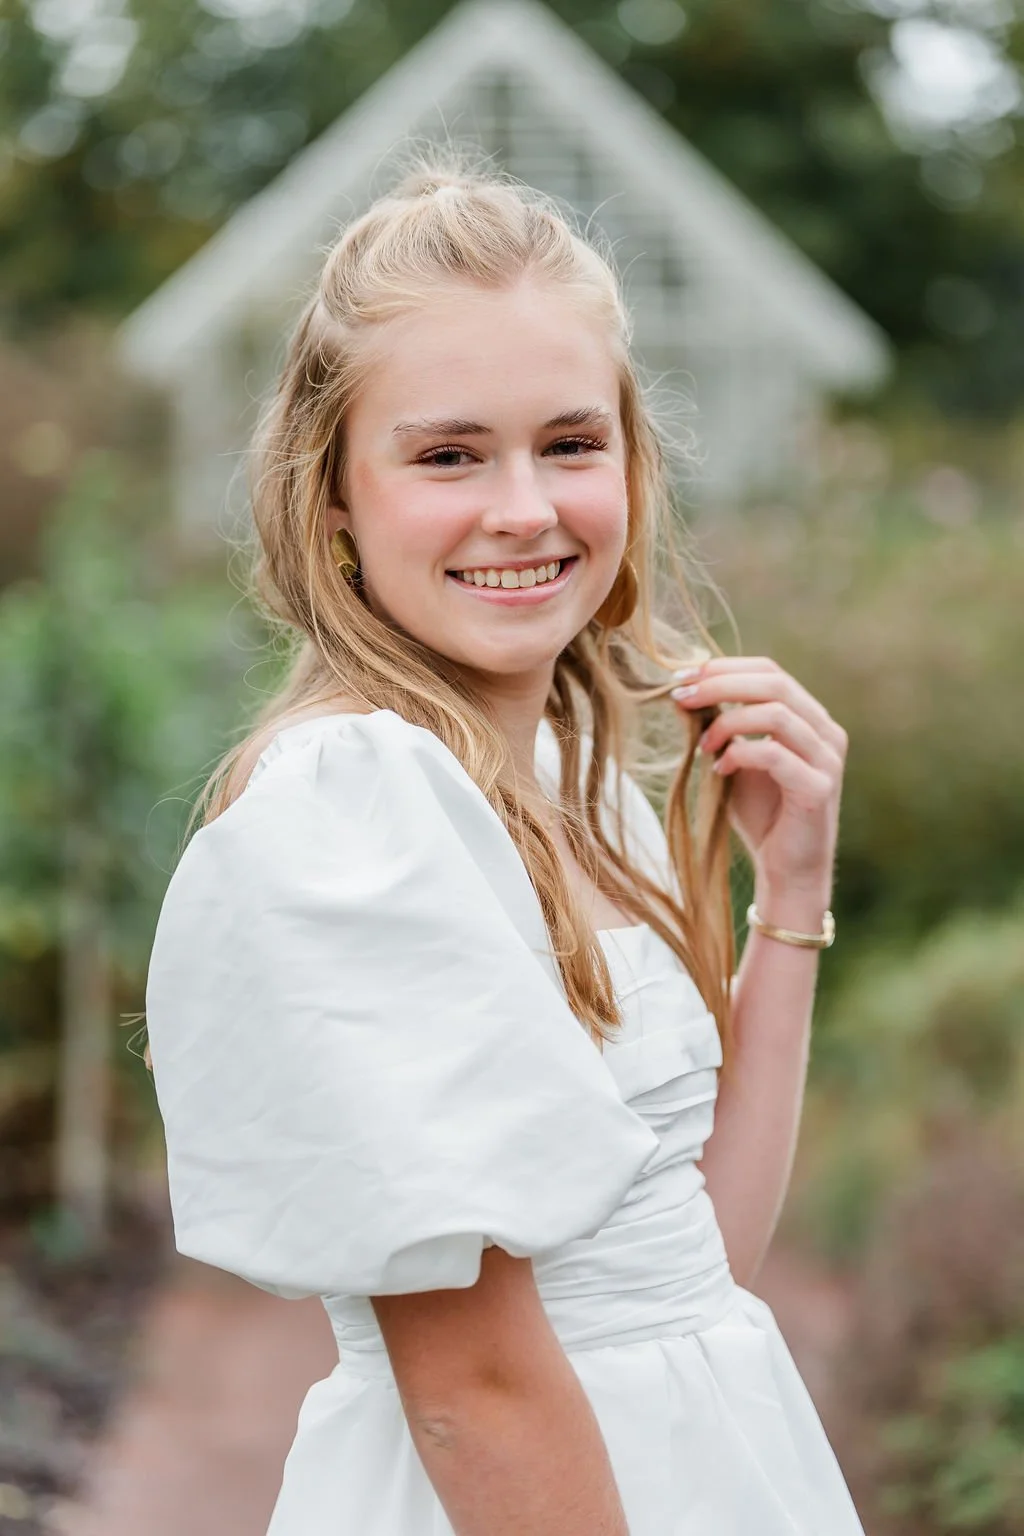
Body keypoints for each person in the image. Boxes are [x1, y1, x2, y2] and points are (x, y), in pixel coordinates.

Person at [144, 152, 862, 1536]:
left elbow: (693, 1269)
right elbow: (471, 1379)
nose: (525, 508)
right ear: (333, 495)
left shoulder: (561, 773)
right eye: (450, 455)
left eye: (572, 443)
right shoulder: (357, 811)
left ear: (631, 464)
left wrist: (794, 893)